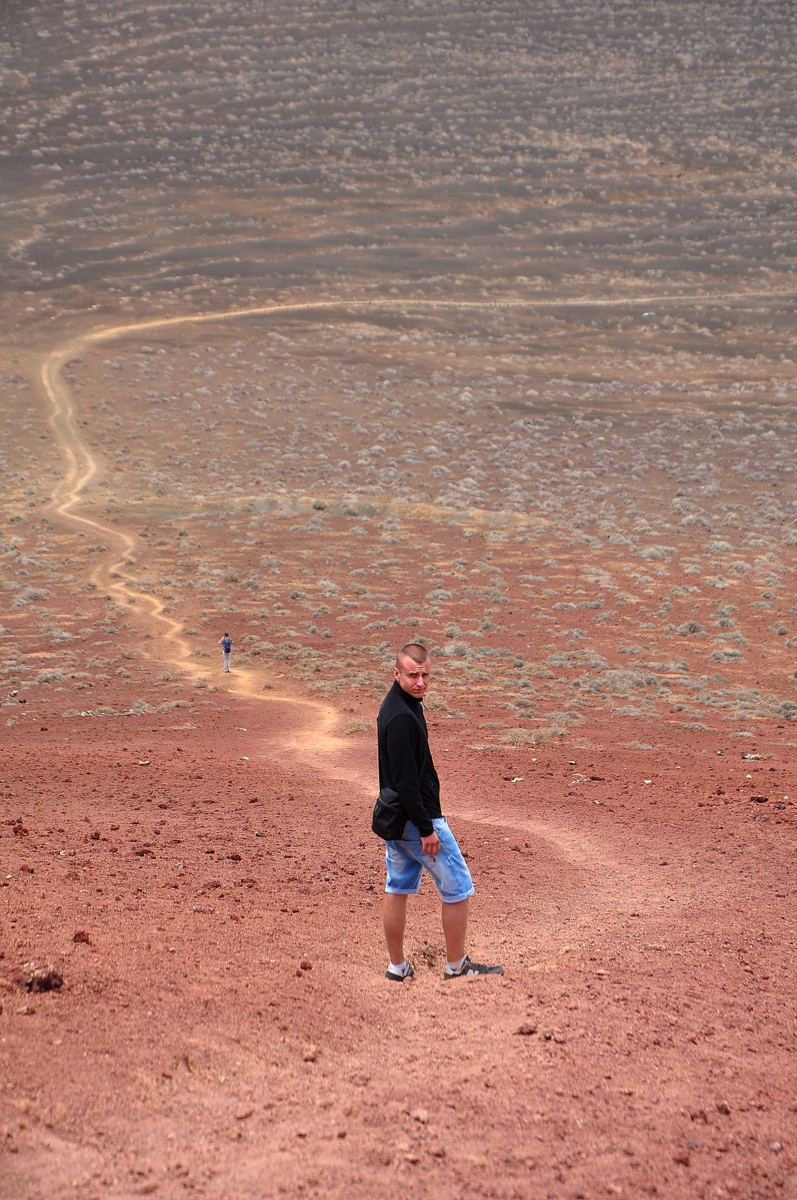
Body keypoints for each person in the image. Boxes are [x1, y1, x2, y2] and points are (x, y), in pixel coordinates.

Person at [376, 642, 503, 982]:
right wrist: (426, 828)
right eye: (412, 675)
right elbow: (406, 781)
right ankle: (457, 966)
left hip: (396, 820)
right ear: (397, 673)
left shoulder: (402, 705)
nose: (420, 682)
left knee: (397, 887)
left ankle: (397, 967)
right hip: (417, 821)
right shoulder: (401, 716)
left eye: (425, 675)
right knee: (459, 887)